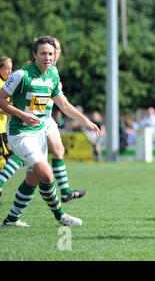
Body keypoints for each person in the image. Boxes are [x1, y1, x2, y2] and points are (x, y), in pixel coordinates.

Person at [0, 36, 101, 227]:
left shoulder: (52, 75)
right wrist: (22, 115)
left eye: (50, 54)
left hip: (39, 133)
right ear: (34, 55)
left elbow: (63, 104)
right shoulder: (21, 75)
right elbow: (1, 99)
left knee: (33, 179)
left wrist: (86, 121)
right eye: (43, 53)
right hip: (20, 133)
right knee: (46, 174)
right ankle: (60, 215)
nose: (47, 57)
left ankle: (12, 219)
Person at [0, 57, 24, 205]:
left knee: (9, 159)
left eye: (11, 68)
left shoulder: (5, 84)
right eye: (7, 68)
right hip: (0, 130)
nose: (10, 71)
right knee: (9, 159)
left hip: (3, 129)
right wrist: (13, 110)